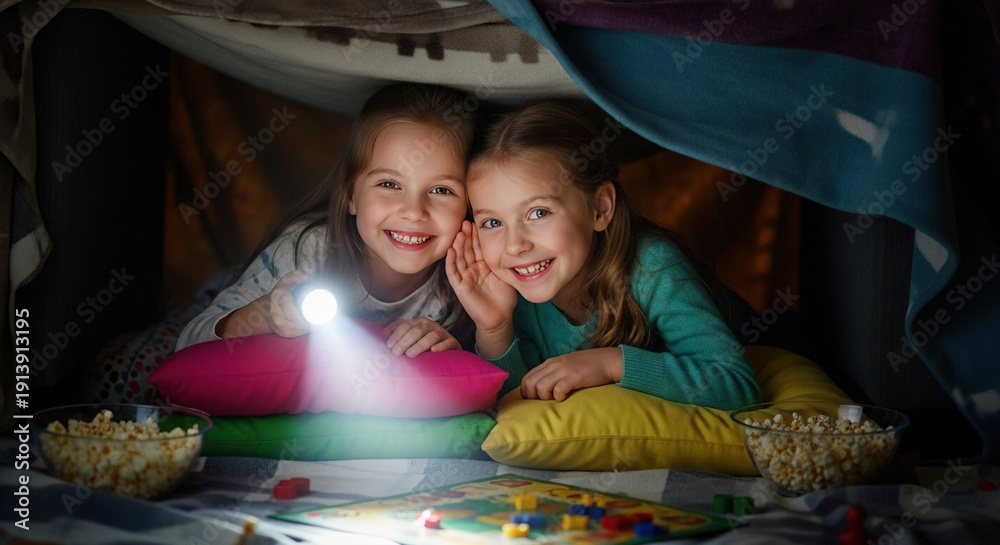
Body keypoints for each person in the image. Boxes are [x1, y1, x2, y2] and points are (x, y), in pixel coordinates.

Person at [446, 101, 762, 410]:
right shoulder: (512, 291)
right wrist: (495, 328)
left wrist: (612, 363)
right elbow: (514, 407)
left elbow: (736, 385)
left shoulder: (654, 267)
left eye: (539, 212)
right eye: (492, 222)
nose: (514, 246)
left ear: (600, 208)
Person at [177, 83, 475, 357]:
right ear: (350, 195)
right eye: (389, 184)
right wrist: (265, 314)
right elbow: (188, 344)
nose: (413, 211)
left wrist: (451, 350)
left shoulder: (464, 280)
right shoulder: (306, 250)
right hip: (227, 286)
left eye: (441, 190)